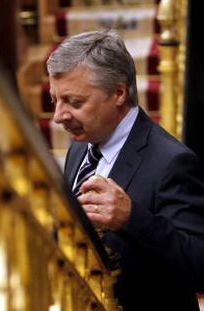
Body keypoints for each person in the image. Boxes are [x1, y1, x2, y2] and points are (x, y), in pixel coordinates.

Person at [47, 29, 204, 311]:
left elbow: (199, 264)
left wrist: (132, 218)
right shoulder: (80, 147)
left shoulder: (172, 162)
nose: (59, 116)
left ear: (118, 93)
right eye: (54, 100)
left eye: (74, 102)